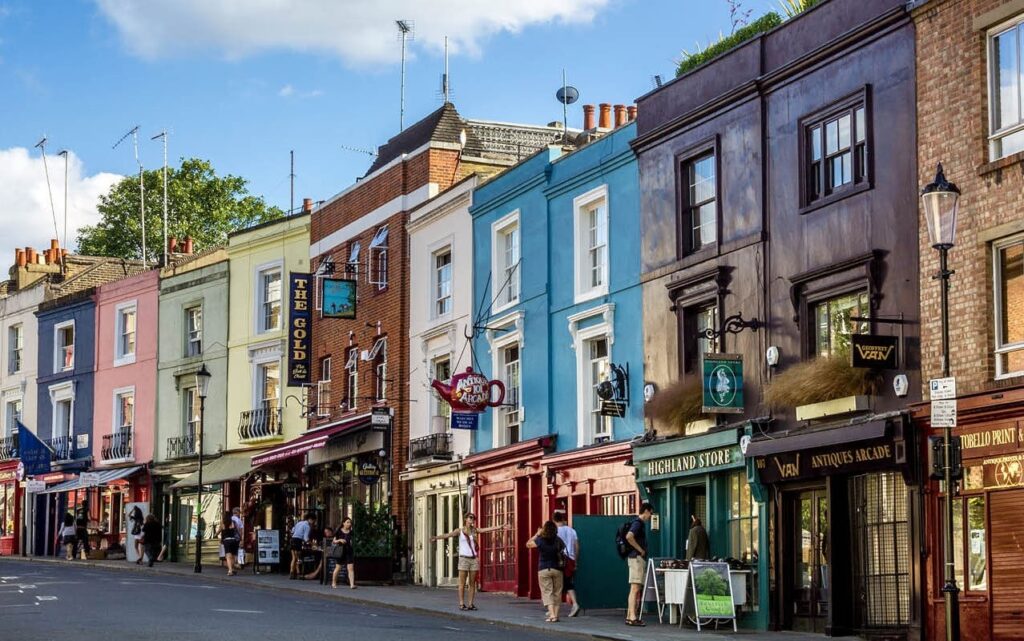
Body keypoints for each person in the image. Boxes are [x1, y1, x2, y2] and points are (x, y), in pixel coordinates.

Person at [431, 513, 510, 611]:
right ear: (465, 519)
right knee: (462, 583)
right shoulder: (460, 531)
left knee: (472, 583)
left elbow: (487, 529)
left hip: (473, 559)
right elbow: (448, 535)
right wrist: (436, 538)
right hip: (463, 559)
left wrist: (500, 526)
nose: (472, 520)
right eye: (470, 518)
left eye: (474, 518)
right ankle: (461, 604)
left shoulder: (475, 531)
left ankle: (470, 604)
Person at [526, 520, 565, 623]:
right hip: (557, 568)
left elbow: (528, 544)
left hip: (544, 568)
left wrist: (536, 534)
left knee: (547, 592)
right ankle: (556, 615)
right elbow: (563, 550)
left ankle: (552, 615)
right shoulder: (558, 540)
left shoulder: (540, 540)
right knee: (557, 592)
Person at [624, 502, 653, 627]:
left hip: (634, 558)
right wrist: (640, 550)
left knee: (634, 589)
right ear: (646, 511)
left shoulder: (637, 523)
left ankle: (630, 616)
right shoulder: (638, 523)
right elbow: (629, 536)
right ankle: (632, 617)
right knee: (635, 588)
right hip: (636, 558)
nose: (650, 516)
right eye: (650, 513)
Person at [553, 510, 581, 617]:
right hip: (571, 559)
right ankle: (575, 604)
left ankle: (554, 608)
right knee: (568, 582)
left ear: (554, 520)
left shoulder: (555, 531)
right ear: (563, 519)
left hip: (559, 559)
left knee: (556, 584)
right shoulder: (571, 530)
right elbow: (577, 546)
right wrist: (576, 561)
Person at [331, 518, 356, 589]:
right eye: (347, 522)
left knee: (350, 568)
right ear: (343, 523)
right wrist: (340, 540)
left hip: (349, 551)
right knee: (338, 568)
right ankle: (334, 582)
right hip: (341, 551)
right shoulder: (339, 531)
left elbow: (352, 540)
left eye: (350, 523)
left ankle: (352, 584)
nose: (349, 524)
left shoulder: (351, 532)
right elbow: (334, 541)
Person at [289, 513, 316, 579]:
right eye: (313, 521)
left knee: (294, 558)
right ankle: (296, 573)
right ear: (310, 519)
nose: (313, 523)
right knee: (297, 558)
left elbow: (292, 530)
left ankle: (293, 573)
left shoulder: (299, 523)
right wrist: (312, 544)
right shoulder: (307, 526)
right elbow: (306, 538)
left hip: (292, 539)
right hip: (298, 541)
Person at [220, 511, 241, 576]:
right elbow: (238, 531)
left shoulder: (223, 523)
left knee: (228, 556)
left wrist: (216, 535)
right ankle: (233, 569)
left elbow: (220, 531)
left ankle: (230, 570)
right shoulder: (233, 522)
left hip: (227, 541)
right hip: (234, 540)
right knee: (233, 556)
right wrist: (240, 539)